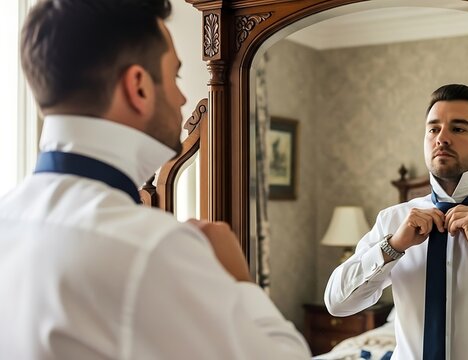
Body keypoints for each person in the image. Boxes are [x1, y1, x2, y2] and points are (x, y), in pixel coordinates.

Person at [0, 1, 310, 359]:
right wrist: (239, 282)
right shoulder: (150, 247)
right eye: (176, 76)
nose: (181, 97)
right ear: (139, 87)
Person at [325, 84, 468, 359]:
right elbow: (336, 303)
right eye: (433, 129)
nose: (442, 138)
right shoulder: (393, 220)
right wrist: (392, 246)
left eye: (458, 129)